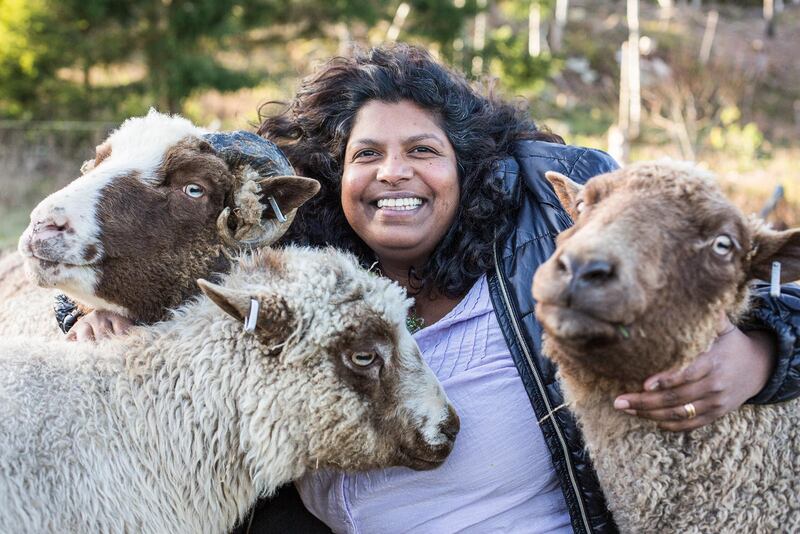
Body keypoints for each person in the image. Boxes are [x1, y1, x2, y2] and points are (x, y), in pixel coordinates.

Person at [67, 44, 800, 533]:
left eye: (423, 151)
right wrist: (85, 312)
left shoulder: (550, 231)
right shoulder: (297, 266)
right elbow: (146, 246)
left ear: (466, 167)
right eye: (367, 155)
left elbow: (705, 256)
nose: (394, 173)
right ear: (332, 178)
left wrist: (766, 349)